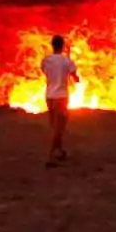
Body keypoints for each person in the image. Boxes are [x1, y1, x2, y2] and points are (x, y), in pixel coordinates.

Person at [41, 35, 78, 167]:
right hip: (61, 96)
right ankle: (49, 157)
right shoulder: (67, 61)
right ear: (63, 46)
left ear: (52, 45)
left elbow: (45, 72)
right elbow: (75, 77)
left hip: (49, 96)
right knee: (59, 127)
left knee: (55, 126)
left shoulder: (46, 60)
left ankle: (60, 151)